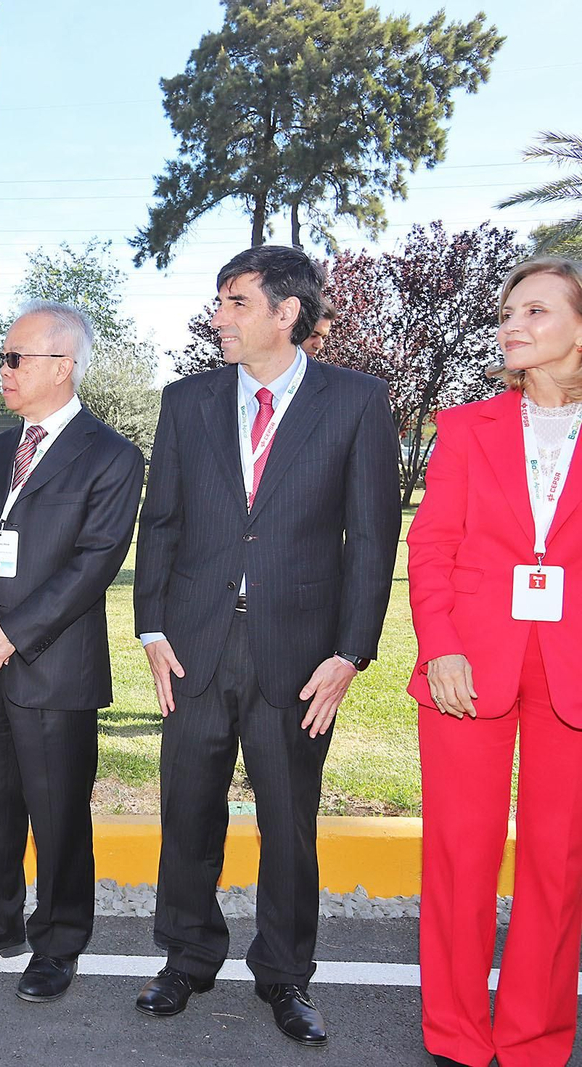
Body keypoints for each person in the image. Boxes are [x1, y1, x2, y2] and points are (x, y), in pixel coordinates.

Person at [132, 245, 400, 1047]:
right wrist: (151, 626)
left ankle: (285, 975)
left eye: (236, 301)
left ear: (287, 313)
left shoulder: (357, 401)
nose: (219, 317)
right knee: (187, 808)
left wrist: (350, 652)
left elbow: (373, 539)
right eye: (221, 301)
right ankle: (187, 954)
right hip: (195, 645)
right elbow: (164, 521)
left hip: (301, 651)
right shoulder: (187, 401)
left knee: (289, 819)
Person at [0, 302, 144, 1003]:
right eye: (4, 356)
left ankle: (57, 942)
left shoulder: (111, 456)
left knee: (57, 817)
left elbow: (93, 564)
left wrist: (14, 632)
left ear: (64, 366)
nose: (5, 369)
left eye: (17, 357)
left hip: (52, 669)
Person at [408, 257, 582, 1067]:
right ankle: (455, 1032)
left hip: (572, 670)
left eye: (536, 311)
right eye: (508, 310)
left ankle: (536, 1037)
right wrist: (439, 642)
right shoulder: (466, 426)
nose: (512, 324)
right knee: (459, 852)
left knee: (559, 860)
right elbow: (433, 542)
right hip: (467, 664)